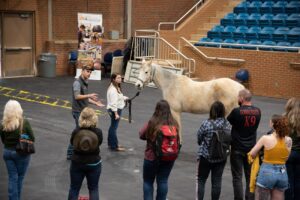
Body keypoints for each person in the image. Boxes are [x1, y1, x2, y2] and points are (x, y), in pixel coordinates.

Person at [139, 99, 179, 200]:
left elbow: (141, 134)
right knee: (163, 181)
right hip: (169, 157)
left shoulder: (152, 123)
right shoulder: (174, 124)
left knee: (148, 182)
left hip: (151, 157)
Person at [227, 89, 261, 200]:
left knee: (237, 177)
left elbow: (229, 121)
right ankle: (249, 198)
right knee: (249, 176)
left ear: (241, 98)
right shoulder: (258, 111)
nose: (237, 99)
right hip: (251, 149)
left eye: (238, 97)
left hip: (237, 148)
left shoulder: (236, 111)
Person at [248, 115, 292, 200]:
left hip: (266, 172)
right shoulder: (289, 140)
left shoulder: (265, 138)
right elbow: (286, 158)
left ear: (272, 124)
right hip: (282, 173)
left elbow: (252, 153)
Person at [196, 101, 232, 200]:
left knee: (201, 180)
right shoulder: (228, 124)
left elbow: (199, 138)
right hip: (221, 157)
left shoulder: (206, 123)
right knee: (217, 181)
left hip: (206, 157)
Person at [0, 100, 35, 200]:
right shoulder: (24, 122)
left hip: (7, 153)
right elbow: (32, 138)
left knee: (12, 178)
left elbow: (3, 140)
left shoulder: (3, 124)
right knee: (20, 178)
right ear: (19, 110)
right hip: (21, 153)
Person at [68, 65, 104, 159]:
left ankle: (78, 150)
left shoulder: (85, 82)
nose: (89, 74)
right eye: (87, 71)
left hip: (83, 111)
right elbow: (77, 96)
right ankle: (70, 153)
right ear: (82, 71)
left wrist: (95, 103)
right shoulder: (77, 83)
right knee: (78, 133)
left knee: (81, 132)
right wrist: (89, 95)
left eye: (90, 72)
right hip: (78, 112)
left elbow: (84, 98)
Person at [68, 107, 103, 200]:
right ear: (94, 118)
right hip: (94, 163)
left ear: (81, 117)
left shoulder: (77, 131)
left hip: (77, 162)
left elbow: (72, 143)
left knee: (74, 188)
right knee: (93, 188)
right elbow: (99, 143)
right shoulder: (98, 132)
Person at [106, 73, 128, 151]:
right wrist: (116, 114)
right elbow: (113, 103)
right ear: (113, 79)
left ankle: (111, 143)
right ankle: (114, 146)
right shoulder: (113, 90)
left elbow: (119, 97)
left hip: (115, 109)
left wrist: (124, 98)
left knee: (112, 127)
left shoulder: (116, 87)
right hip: (115, 110)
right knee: (113, 128)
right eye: (118, 78)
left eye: (120, 78)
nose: (120, 79)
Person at [284, 98, 300, 200]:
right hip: (299, 153)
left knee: (288, 180)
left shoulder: (284, 119)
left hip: (288, 153)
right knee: (298, 180)